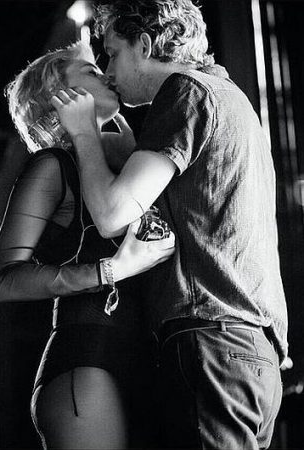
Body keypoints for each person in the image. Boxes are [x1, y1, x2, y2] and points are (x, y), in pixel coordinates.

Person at [50, 1, 288, 448]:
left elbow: (112, 214)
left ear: (145, 44)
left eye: (113, 53)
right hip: (256, 353)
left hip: (211, 342)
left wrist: (83, 134)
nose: (108, 71)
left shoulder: (186, 92)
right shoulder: (232, 100)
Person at [0, 41, 175, 449]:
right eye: (90, 71)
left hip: (148, 362)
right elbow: (4, 281)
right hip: (86, 362)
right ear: (59, 94)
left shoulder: (125, 167)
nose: (107, 74)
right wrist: (111, 270)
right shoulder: (51, 166)